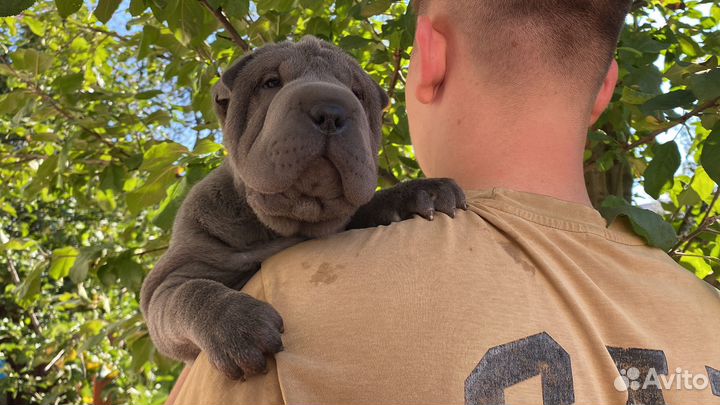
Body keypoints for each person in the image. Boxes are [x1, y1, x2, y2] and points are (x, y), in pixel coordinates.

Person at [168, 1, 720, 403]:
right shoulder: (707, 313)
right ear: (606, 89)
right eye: (269, 84)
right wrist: (204, 308)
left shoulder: (290, 300)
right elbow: (169, 294)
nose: (333, 114)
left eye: (360, 99)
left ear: (426, 58)